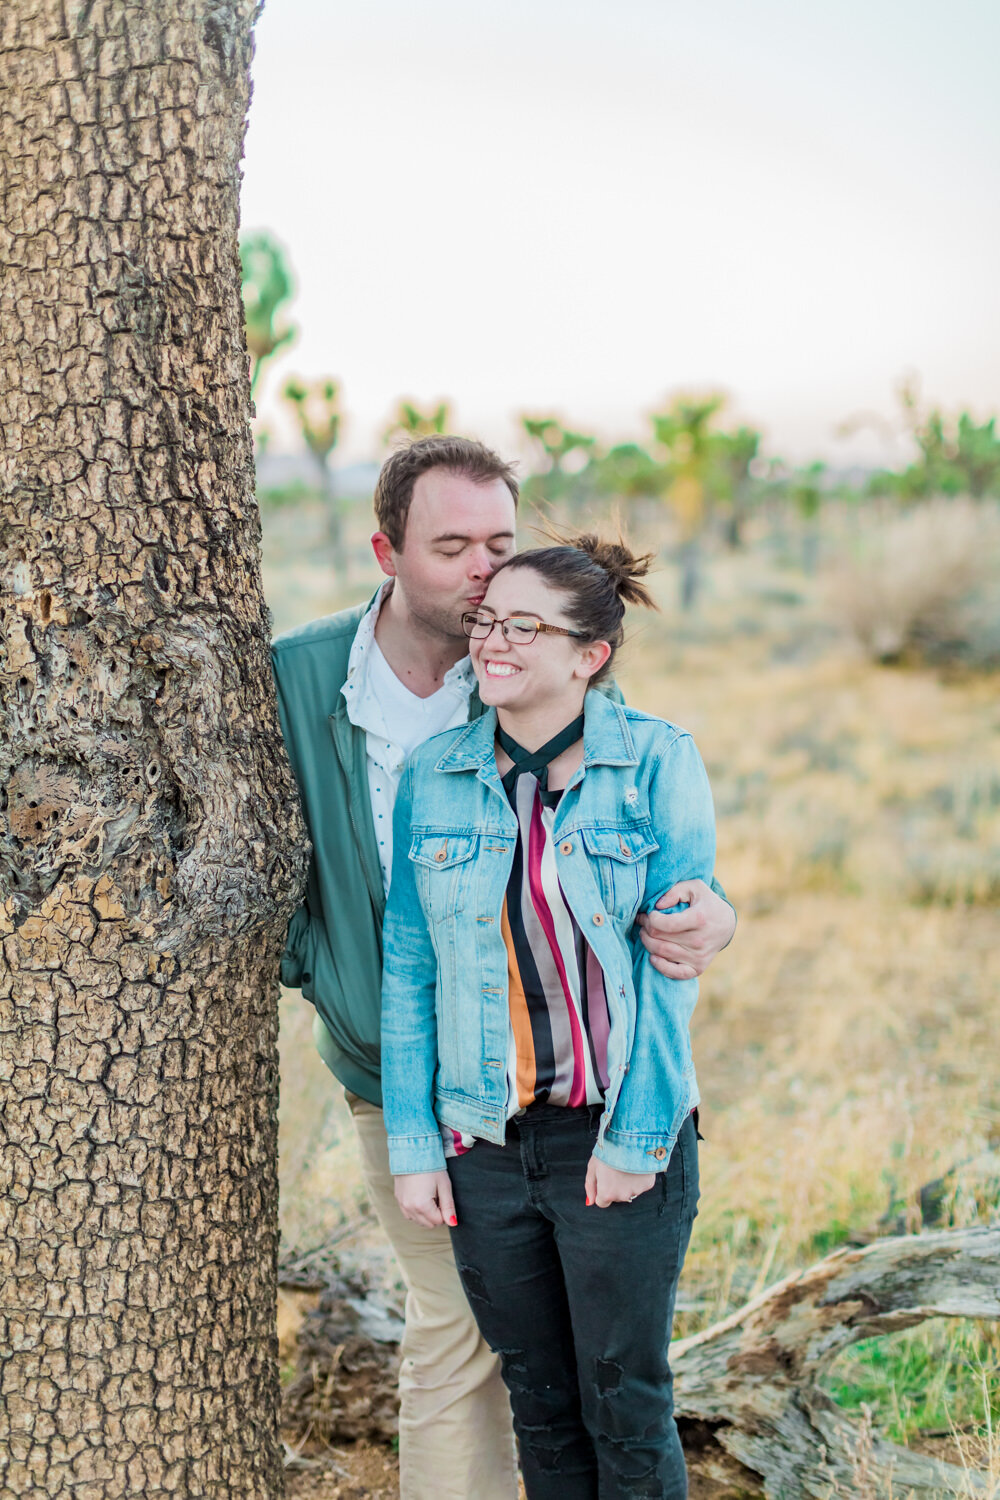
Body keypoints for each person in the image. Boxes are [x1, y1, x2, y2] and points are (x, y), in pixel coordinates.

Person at [271, 438, 735, 1500]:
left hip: (591, 1104)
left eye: (501, 545)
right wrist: (319, 970)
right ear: (385, 551)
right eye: (454, 551)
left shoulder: (590, 709)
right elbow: (371, 931)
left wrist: (712, 918)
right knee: (488, 1357)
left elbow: (661, 900)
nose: (485, 578)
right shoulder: (312, 686)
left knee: (597, 1384)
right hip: (427, 1095)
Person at [381, 534, 715, 1499]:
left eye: (525, 627)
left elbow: (671, 969)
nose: (494, 643)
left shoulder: (655, 761)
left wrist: (637, 1139)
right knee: (541, 1404)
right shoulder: (436, 775)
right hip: (481, 1143)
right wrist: (414, 1140)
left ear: (589, 655)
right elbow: (410, 963)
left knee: (627, 1404)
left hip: (611, 1140)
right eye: (489, 621)